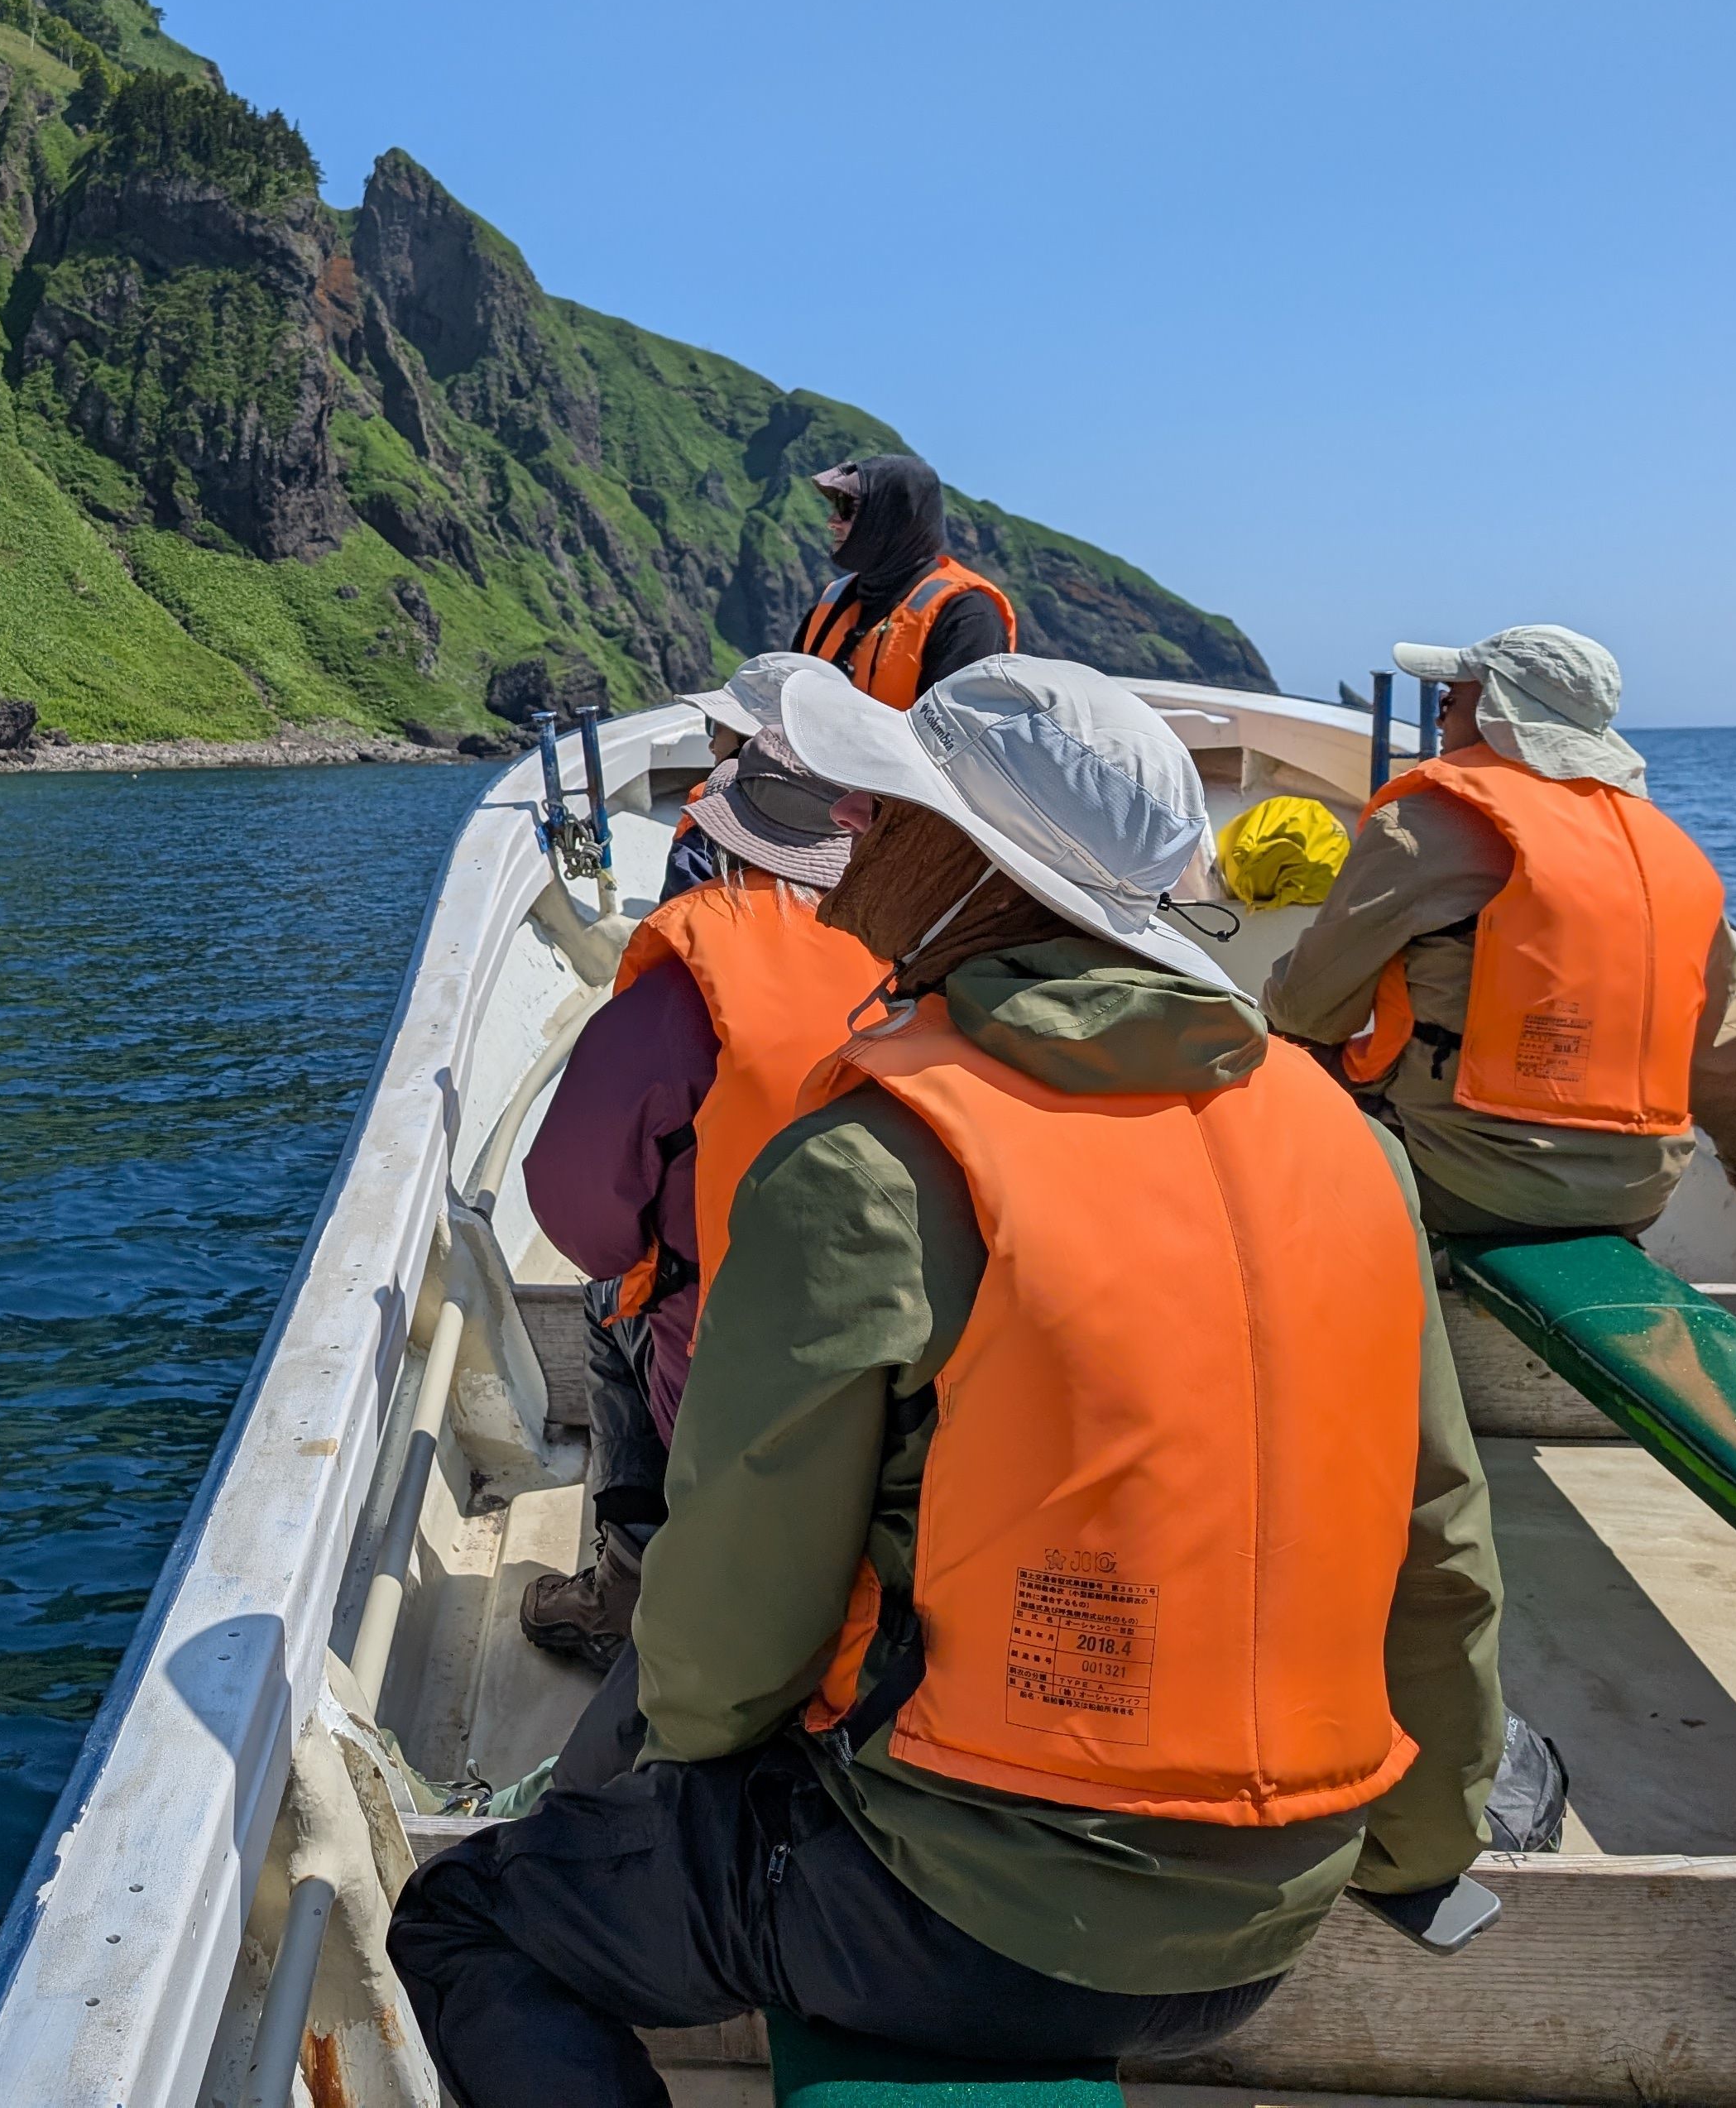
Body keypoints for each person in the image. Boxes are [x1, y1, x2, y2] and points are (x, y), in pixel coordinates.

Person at [391, 656, 1503, 2106]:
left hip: (962, 1916)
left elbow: (735, 1633)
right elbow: (1441, 1545)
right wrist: (1412, 1851)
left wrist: (681, 1772)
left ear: (976, 870)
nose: (850, 830)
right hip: (1271, 1911)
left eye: (892, 804)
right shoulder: (1350, 1147)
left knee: (468, 1920)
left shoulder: (867, 1164)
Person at [516, 697, 883, 1672]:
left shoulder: (675, 1006)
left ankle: (626, 1587)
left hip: (729, 1403)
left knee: (607, 1302)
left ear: (725, 842)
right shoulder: (917, 973)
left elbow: (578, 1217)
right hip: (903, 1401)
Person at [1261, 626, 1736, 1240]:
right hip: (1640, 1195)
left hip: (1464, 1184)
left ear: (1495, 711)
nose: (1440, 723)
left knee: (1283, 1052)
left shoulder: (1423, 824)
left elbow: (1306, 1010)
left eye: (1447, 702)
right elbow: (1722, 1054)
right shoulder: (1670, 854)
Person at [794, 454, 1018, 707]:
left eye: (848, 509)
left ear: (891, 517)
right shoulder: (833, 600)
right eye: (835, 507)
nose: (832, 522)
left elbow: (958, 739)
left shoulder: (968, 613)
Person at [664, 650, 816, 897]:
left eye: (717, 727)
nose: (712, 745)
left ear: (750, 742)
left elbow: (677, 914)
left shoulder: (706, 828)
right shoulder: (855, 822)